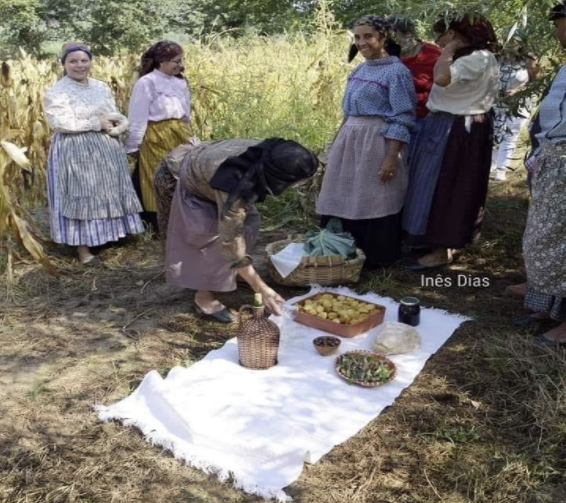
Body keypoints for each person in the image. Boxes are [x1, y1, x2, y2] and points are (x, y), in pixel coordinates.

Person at [155, 138, 318, 323]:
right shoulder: (234, 180)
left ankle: (237, 273)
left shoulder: (269, 156)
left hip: (209, 176)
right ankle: (204, 297)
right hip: (180, 178)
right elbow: (230, 237)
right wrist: (261, 288)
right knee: (209, 237)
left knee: (250, 221)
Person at [316, 15, 416, 268]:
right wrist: (335, 144)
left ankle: (375, 258)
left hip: (376, 141)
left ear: (384, 38)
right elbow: (348, 113)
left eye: (368, 36)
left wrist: (391, 157)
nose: (361, 42)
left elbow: (402, 117)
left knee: (375, 195)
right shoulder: (360, 68)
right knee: (345, 192)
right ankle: (343, 252)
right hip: (350, 139)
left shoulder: (397, 71)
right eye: (357, 37)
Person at [403, 13, 499, 270]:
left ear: (453, 34)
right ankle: (429, 239)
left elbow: (442, 78)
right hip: (449, 124)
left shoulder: (477, 58)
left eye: (441, 34)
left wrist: (449, 50)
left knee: (447, 186)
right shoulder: (474, 57)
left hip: (457, 129)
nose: (437, 39)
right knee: (431, 183)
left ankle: (441, 250)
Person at [43, 43, 144, 266]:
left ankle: (107, 238)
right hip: (75, 147)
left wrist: (119, 121)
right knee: (82, 193)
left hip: (105, 146)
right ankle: (83, 250)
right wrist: (95, 123)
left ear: (90, 62)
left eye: (84, 60)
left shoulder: (100, 87)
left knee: (106, 191)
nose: (79, 65)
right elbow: (59, 123)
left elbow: (110, 111)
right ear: (64, 64)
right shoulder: (57, 92)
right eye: (73, 61)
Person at [512, 2, 566, 345]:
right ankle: (549, 305)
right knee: (545, 240)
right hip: (554, 163)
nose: (560, 37)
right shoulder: (564, 68)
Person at [126, 40, 191, 233]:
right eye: (175, 61)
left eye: (181, 60)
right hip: (156, 135)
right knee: (156, 177)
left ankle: (182, 218)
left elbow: (185, 112)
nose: (180, 65)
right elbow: (137, 116)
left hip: (179, 133)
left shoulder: (180, 82)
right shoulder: (147, 83)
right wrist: (133, 146)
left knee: (183, 175)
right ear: (161, 61)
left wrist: (188, 133)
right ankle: (158, 224)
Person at [387, 15, 441, 160]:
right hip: (392, 120)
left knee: (415, 165)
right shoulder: (387, 54)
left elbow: (445, 84)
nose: (388, 41)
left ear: (408, 34)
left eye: (392, 36)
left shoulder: (432, 54)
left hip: (424, 118)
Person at [491, 38, 541, 182]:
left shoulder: (529, 60)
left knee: (510, 134)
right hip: (498, 102)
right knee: (496, 131)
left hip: (519, 103)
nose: (509, 43)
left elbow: (536, 82)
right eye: (507, 39)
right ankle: (493, 163)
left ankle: (502, 169)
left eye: (513, 40)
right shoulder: (498, 58)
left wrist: (519, 91)